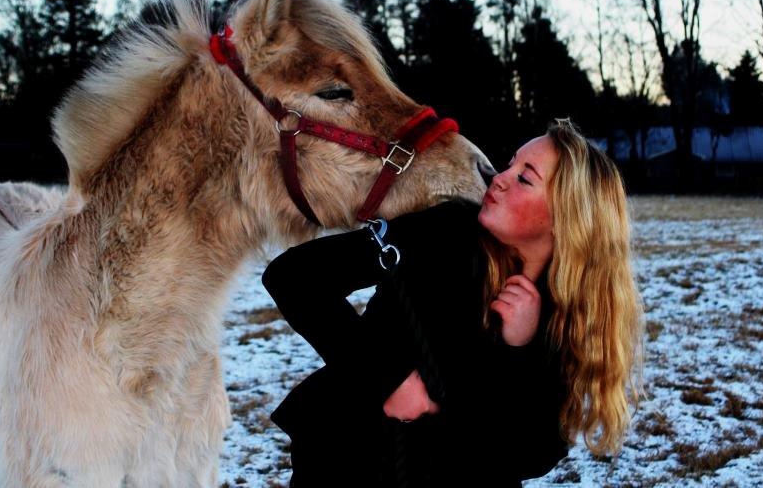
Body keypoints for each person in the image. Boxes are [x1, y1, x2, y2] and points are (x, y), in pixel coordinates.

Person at [262, 119, 643, 487]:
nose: (499, 178)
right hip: (347, 462)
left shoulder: (567, 315)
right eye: (510, 164)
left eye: (525, 179)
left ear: (566, 218)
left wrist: (520, 350)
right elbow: (295, 277)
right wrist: (388, 378)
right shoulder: (443, 232)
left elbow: (533, 454)